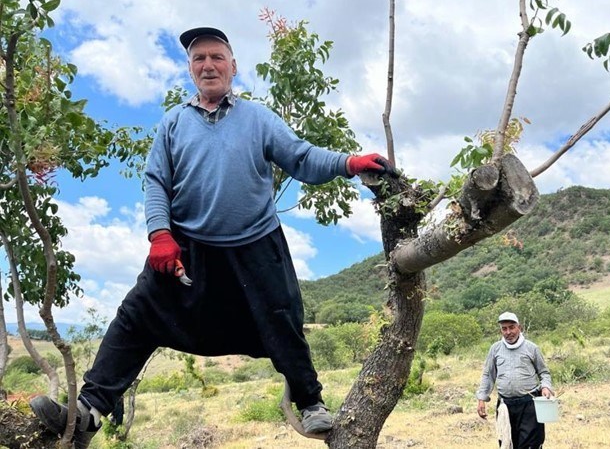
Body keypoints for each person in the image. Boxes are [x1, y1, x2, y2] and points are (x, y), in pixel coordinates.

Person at [30, 26, 397, 448]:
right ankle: (87, 414)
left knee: (282, 316)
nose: (208, 65)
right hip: (187, 248)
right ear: (190, 70)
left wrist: (349, 162)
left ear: (233, 67)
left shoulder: (257, 118)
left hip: (256, 244)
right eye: (199, 59)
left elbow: (301, 157)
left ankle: (310, 402)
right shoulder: (173, 123)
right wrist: (159, 235)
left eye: (217, 57)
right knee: (137, 315)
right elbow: (155, 183)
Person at [476, 312, 553, 449]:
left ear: (520, 328)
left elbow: (544, 372)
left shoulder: (532, 348)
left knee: (531, 444)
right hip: (505, 405)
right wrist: (482, 398)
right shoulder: (495, 349)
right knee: (507, 444)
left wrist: (546, 386)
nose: (508, 332)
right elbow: (488, 375)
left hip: (529, 405)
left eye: (512, 327)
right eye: (504, 328)